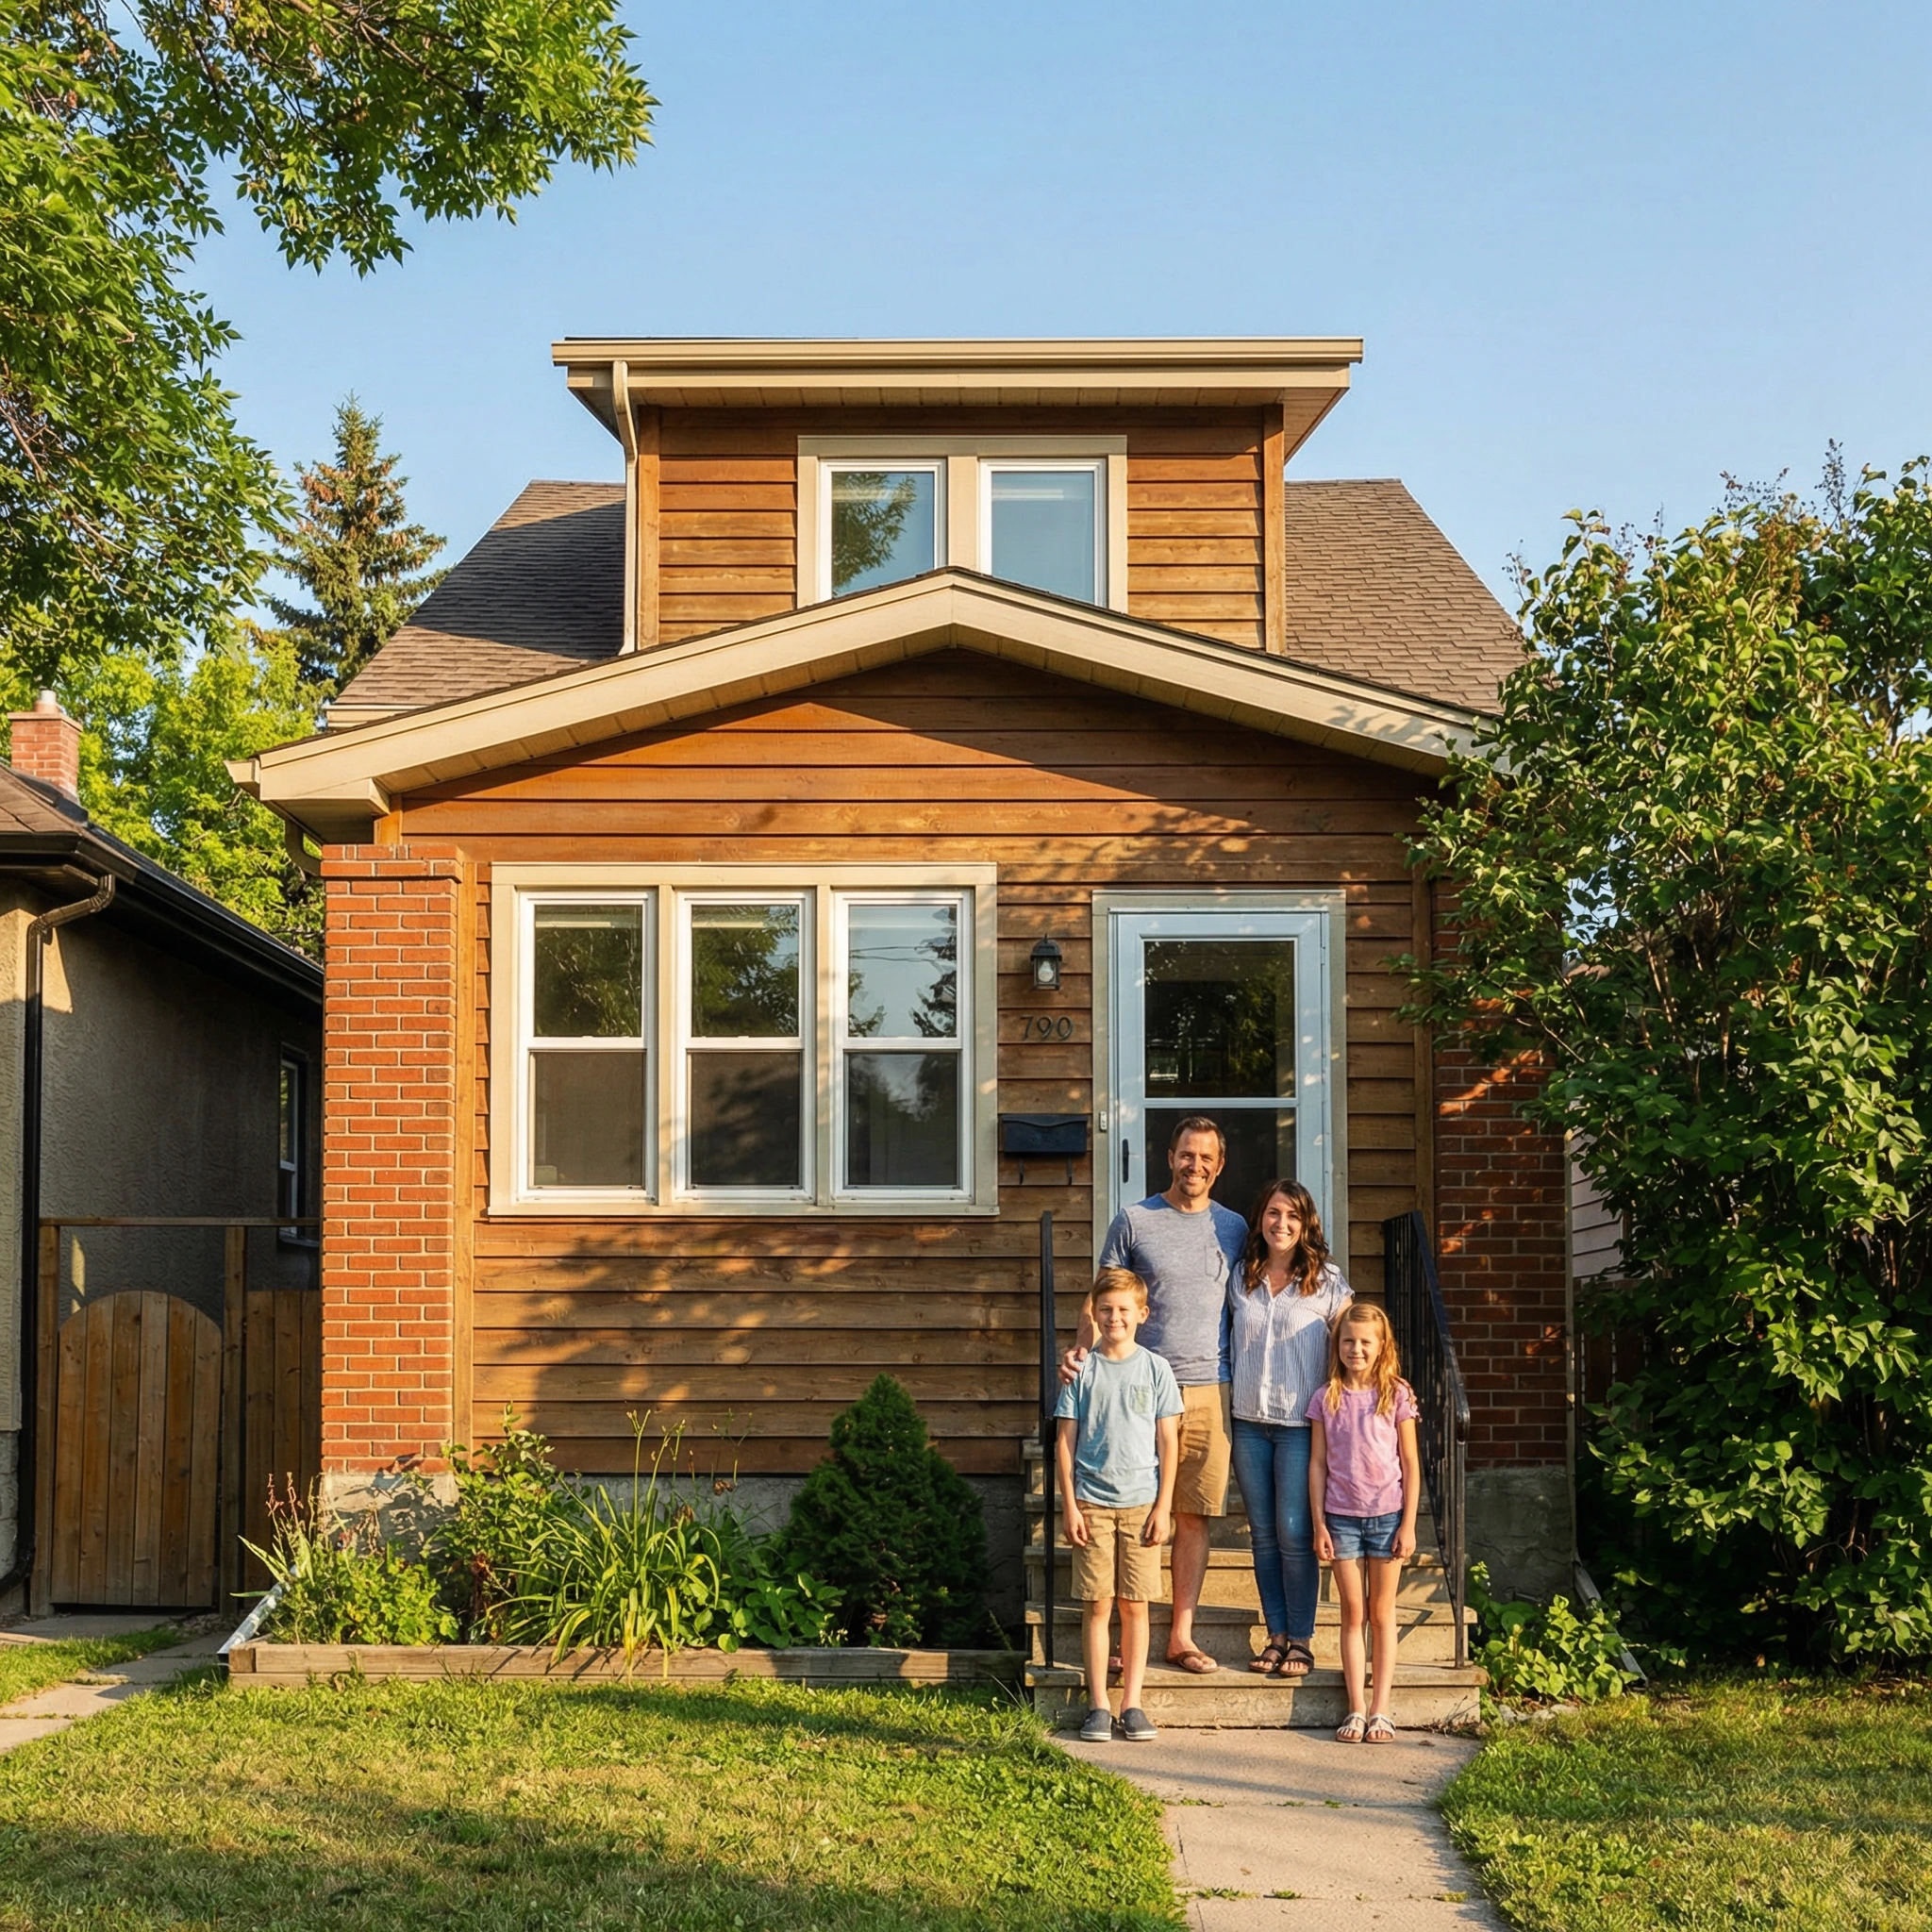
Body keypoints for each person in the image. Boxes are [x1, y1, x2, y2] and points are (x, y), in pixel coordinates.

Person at [1065, 1115, 1244, 1674]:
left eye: (1207, 1158)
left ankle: (1181, 1636)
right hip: (1135, 1388)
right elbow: (1102, 1298)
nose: (1196, 1166)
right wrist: (1081, 1360)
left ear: (1219, 1165)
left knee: (1191, 1514)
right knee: (1127, 1509)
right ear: (1170, 1158)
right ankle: (1121, 1639)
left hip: (1209, 1385)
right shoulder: (1135, 1220)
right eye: (1186, 1155)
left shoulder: (1236, 1227)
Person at [1226, 1179, 1353, 1681]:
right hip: (1247, 1424)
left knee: (1295, 1533)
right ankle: (1275, 1635)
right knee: (1262, 1536)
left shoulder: (1328, 1281)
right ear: (1261, 1218)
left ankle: (1301, 1638)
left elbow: (1352, 1342)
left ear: (1306, 1226)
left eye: (1293, 1217)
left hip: (1302, 1426)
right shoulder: (1241, 1276)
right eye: (1274, 1214)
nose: (1282, 1224)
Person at [1055, 1267, 1182, 1743]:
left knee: (1135, 1605)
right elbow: (1064, 1442)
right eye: (1105, 1310)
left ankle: (1132, 1702)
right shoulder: (1081, 1369)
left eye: (1124, 1310)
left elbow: (1168, 1442)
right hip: (1092, 1503)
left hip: (1141, 1505)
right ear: (1093, 1314)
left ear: (1142, 1315)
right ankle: (1099, 1706)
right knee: (1097, 1605)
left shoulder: (1155, 1369)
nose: (1114, 1318)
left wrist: (1163, 1505)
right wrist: (1069, 1505)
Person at [1308, 1302, 1420, 1743]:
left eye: (1365, 1342)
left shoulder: (1397, 1394)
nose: (1356, 1349)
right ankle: (1355, 1708)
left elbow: (1409, 1462)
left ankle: (1381, 1709)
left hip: (1388, 1516)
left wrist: (1408, 1524)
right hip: (1341, 1518)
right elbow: (1317, 1464)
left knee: (1381, 1612)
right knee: (1353, 1613)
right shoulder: (1325, 1398)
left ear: (1381, 1346)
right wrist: (1319, 1523)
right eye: (1348, 1341)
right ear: (1337, 1345)